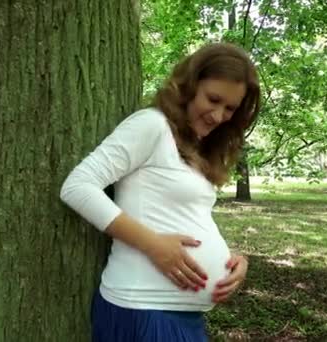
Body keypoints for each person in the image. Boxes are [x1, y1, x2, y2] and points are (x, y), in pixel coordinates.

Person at [60, 42, 261, 341]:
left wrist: (231, 260)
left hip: (182, 318)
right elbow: (77, 186)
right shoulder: (151, 125)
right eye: (213, 99)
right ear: (189, 86)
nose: (218, 116)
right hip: (142, 310)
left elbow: (182, 216)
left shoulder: (197, 149)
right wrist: (153, 245)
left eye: (230, 108)